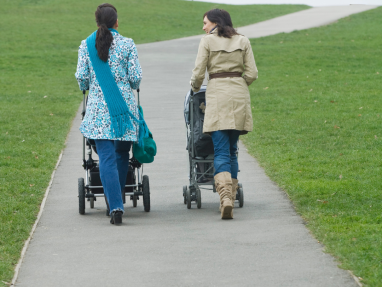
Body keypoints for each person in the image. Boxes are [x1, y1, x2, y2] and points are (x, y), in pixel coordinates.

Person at [75, 3, 143, 225]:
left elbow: (82, 79)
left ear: (97, 22)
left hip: (97, 111)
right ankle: (118, 201)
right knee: (121, 154)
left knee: (105, 157)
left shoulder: (87, 45)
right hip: (122, 110)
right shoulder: (127, 44)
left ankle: (115, 206)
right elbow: (135, 79)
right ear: (116, 22)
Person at [190, 9, 258, 219]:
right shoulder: (243, 40)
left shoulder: (207, 41)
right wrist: (238, 83)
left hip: (218, 93)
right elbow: (253, 73)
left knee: (219, 150)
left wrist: (194, 87)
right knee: (232, 150)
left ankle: (225, 198)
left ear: (215, 23)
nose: (203, 27)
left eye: (205, 23)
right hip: (239, 94)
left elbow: (199, 72)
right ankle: (232, 194)